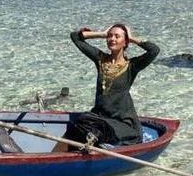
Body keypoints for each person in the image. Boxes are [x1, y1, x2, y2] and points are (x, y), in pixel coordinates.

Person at [52, 23, 159, 152]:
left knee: (95, 128)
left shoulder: (132, 66)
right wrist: (101, 34)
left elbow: (154, 50)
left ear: (125, 42)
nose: (112, 39)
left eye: (117, 36)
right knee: (80, 122)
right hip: (99, 117)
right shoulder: (100, 59)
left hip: (122, 122)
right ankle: (50, 161)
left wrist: (131, 38)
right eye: (110, 36)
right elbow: (75, 37)